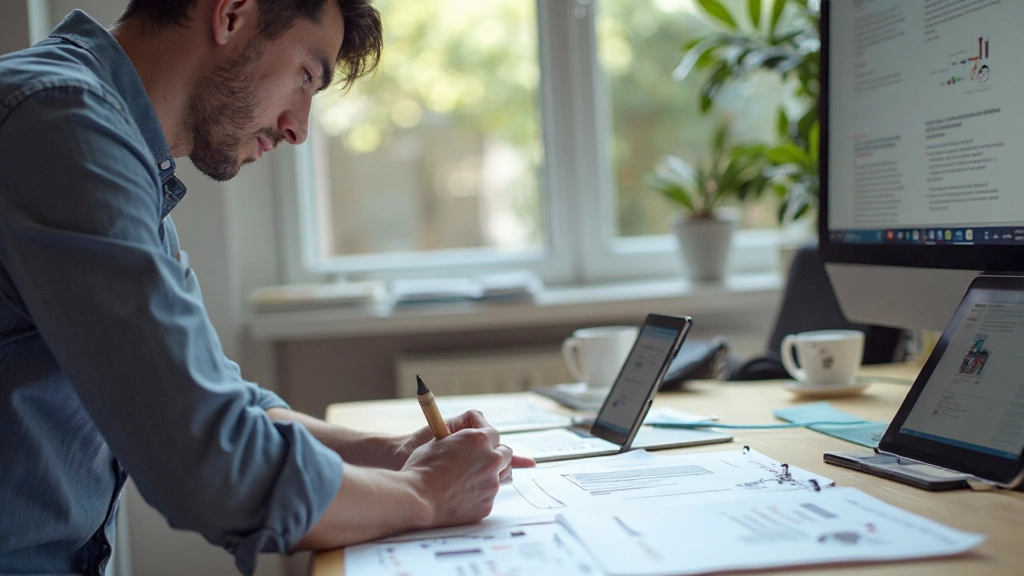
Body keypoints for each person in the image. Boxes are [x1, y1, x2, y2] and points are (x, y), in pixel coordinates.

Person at [0, 1, 533, 574]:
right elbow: (208, 459)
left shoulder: (114, 151)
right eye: (306, 74)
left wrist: (395, 453)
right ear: (231, 14)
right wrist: (425, 495)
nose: (298, 128)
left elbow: (221, 402)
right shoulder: (62, 122)